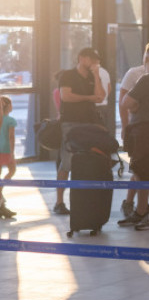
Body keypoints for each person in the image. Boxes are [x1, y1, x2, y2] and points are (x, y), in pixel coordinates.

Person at [118, 45, 149, 231]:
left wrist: (136, 107)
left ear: (146, 58)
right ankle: (141, 210)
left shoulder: (147, 79)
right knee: (141, 172)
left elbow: (126, 102)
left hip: (145, 133)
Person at [54, 47, 105, 215]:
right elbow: (66, 96)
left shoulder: (92, 76)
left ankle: (83, 202)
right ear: (82, 58)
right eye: (92, 59)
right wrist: (89, 98)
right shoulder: (68, 75)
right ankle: (59, 201)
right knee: (67, 162)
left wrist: (96, 76)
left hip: (89, 124)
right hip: (70, 123)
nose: (95, 63)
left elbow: (100, 96)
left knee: (87, 162)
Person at [0, 96, 17, 218]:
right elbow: (11, 137)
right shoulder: (10, 120)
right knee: (12, 170)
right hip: (5, 151)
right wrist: (12, 153)